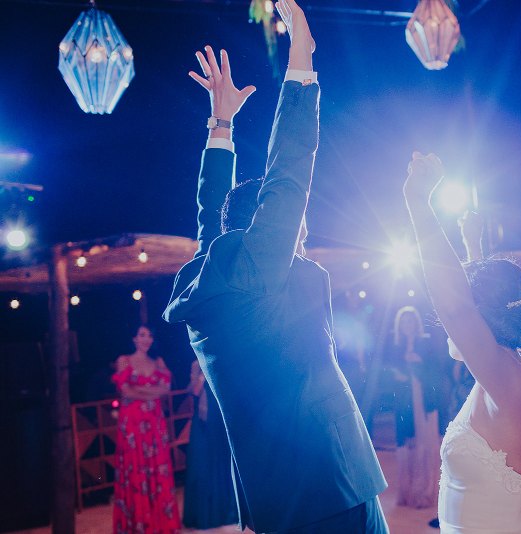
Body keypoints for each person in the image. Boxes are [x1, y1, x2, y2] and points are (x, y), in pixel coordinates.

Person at [162, 2, 387, 531]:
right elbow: (291, 170)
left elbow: (208, 214)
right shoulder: (259, 269)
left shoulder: (205, 282)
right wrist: (302, 57)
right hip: (331, 483)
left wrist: (221, 124)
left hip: (270, 498)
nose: (300, 236)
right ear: (266, 231)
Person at [403, 152, 521, 533]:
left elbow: (457, 307)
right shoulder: (503, 369)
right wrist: (473, 247)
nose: (453, 333)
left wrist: (418, 203)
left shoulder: (505, 378)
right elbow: (475, 308)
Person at [111, 325, 180, 534]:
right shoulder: (124, 360)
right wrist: (151, 392)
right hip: (132, 424)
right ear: (133, 338)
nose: (146, 339)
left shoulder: (158, 362)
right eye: (142, 335)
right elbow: (125, 390)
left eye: (150, 335)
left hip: (154, 422)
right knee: (134, 466)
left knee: (157, 465)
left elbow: (165, 389)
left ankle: (158, 523)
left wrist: (139, 391)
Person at [388, 305, 441, 508]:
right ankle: (406, 493)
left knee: (425, 446)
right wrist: (399, 375)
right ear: (399, 325)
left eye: (410, 321)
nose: (407, 325)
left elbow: (437, 372)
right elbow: (388, 373)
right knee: (405, 446)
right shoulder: (396, 346)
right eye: (404, 322)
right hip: (403, 401)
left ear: (416, 323)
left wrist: (418, 363)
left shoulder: (426, 343)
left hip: (424, 400)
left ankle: (425, 493)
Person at [182, 360, 237, 530]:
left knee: (223, 466)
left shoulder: (221, 359)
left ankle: (227, 513)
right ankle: (204, 516)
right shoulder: (195, 364)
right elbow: (195, 391)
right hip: (203, 421)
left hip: (221, 419)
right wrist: (201, 375)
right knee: (202, 466)